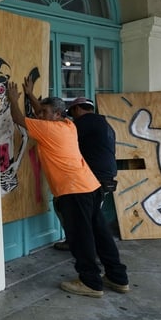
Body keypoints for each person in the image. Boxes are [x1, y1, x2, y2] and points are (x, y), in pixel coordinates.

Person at [7, 77, 129, 297]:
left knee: (81, 237)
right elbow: (43, 113)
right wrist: (32, 95)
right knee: (101, 233)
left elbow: (19, 118)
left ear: (56, 115)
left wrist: (12, 99)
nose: (39, 115)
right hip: (90, 186)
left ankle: (90, 282)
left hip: (73, 192)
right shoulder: (68, 125)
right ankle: (117, 277)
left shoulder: (48, 130)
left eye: (44, 113)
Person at [53, 96, 118, 250]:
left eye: (72, 113)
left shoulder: (86, 121)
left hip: (94, 176)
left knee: (81, 212)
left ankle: (86, 246)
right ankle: (83, 244)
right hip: (104, 174)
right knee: (86, 212)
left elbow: (58, 133)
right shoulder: (103, 123)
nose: (72, 118)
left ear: (77, 109)